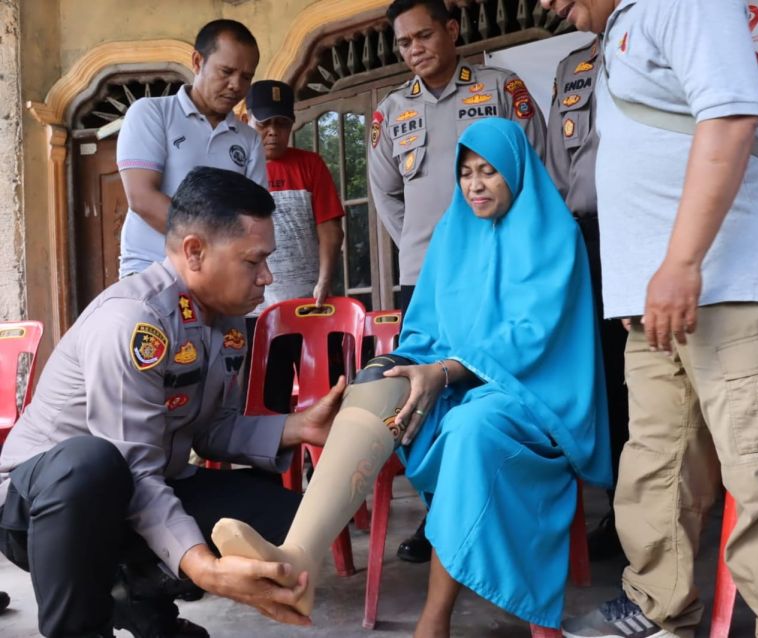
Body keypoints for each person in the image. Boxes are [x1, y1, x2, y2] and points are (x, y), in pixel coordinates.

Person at [212, 118, 611, 636]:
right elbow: (424, 327)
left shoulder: (553, 233)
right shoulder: (452, 231)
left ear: (515, 170)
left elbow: (534, 336)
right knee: (377, 383)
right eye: (466, 173)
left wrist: (445, 371)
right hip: (457, 382)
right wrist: (412, 367)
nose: (475, 185)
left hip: (533, 395)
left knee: (471, 430)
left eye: (489, 171)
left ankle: (435, 619)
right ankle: (299, 556)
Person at [538, 1, 758, 637]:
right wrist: (643, 280)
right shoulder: (619, 29)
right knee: (656, 465)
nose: (543, 3)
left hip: (730, 283)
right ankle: (658, 606)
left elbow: (730, 118)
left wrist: (681, 262)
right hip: (658, 300)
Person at [0, 167, 345, 638]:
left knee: (289, 520)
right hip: (43, 509)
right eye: (254, 261)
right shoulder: (133, 323)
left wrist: (299, 426)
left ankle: (137, 599)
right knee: (92, 464)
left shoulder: (224, 320)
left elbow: (210, 430)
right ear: (195, 251)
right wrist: (203, 567)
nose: (267, 277)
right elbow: (133, 468)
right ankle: (80, 628)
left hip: (136, 486)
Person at [368, 0, 547, 563]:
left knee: (487, 387)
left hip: (499, 275)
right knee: (426, 396)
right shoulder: (391, 112)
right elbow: (385, 194)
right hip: (425, 279)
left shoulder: (500, 88)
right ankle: (439, 514)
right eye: (404, 43)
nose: (414, 49)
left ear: (452, 29)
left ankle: (498, 506)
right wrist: (428, 249)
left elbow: (535, 170)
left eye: (423, 36)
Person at [545, 36, 629, 561]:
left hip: (641, 227)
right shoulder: (571, 67)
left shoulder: (648, 37)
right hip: (587, 240)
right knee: (606, 380)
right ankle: (623, 514)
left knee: (648, 379)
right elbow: (558, 169)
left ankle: (667, 512)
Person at [117, 19, 267, 278]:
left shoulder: (249, 139)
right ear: (198, 62)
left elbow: (255, 214)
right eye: (226, 71)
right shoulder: (152, 113)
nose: (236, 85)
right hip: (152, 272)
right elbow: (142, 197)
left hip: (218, 277)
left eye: (246, 77)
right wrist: (213, 248)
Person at [244, 79, 346, 412]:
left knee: (327, 396)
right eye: (264, 123)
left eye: (282, 124)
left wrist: (324, 282)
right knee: (265, 403)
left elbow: (330, 229)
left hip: (310, 306)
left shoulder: (310, 165)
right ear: (246, 120)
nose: (273, 132)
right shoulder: (237, 171)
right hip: (256, 312)